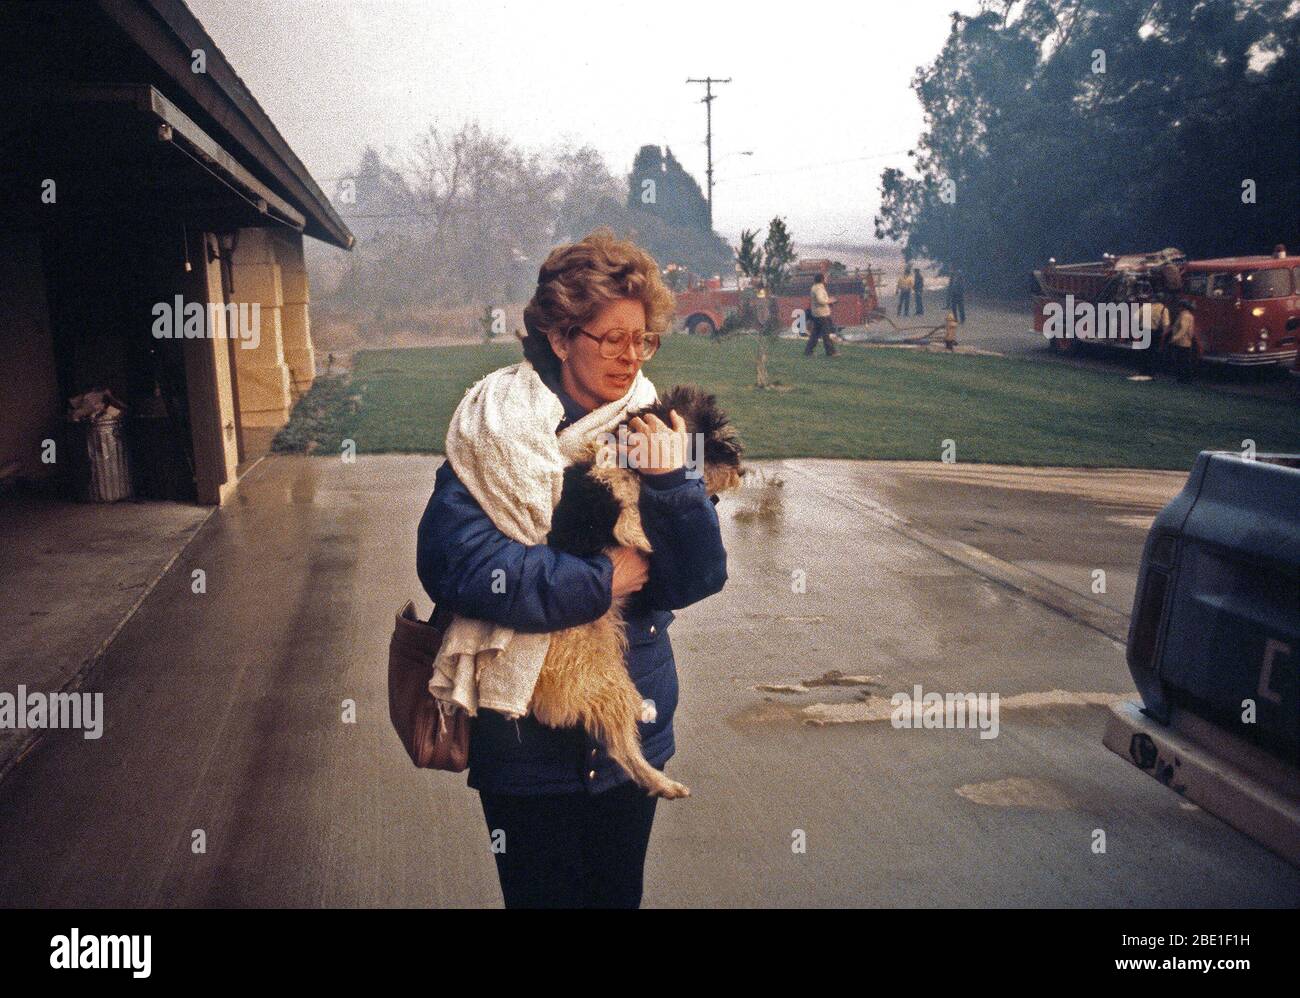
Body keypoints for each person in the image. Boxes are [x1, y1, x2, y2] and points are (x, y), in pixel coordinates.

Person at [415, 229, 728, 908]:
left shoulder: (658, 430)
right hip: (523, 742)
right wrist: (600, 582)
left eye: (642, 340)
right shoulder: (493, 432)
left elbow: (697, 576)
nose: (629, 356)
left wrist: (673, 481)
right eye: (610, 338)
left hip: (631, 728)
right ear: (560, 337)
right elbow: (457, 564)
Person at [1163, 299, 1197, 382]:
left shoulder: (1184, 316)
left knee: (1182, 361)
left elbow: (1183, 329)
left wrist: (1174, 338)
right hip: (1185, 341)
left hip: (1182, 342)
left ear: (1182, 307)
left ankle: (1184, 378)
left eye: (1179, 306)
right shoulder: (1188, 315)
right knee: (1184, 360)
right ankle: (1184, 378)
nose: (1178, 308)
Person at [805, 273, 838, 357]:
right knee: (826, 334)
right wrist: (830, 301)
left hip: (817, 314)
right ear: (822, 279)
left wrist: (828, 300)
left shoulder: (815, 287)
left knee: (815, 334)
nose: (827, 279)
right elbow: (821, 300)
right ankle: (830, 352)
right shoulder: (819, 288)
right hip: (822, 314)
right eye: (825, 278)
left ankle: (808, 351)